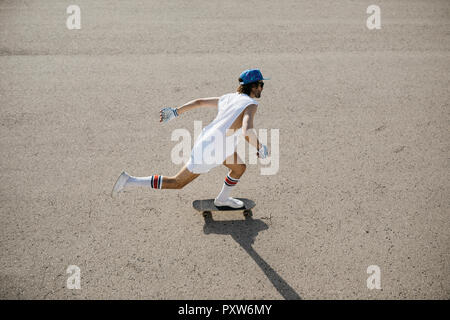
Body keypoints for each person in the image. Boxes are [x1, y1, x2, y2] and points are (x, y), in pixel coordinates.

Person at [112, 68, 269, 208]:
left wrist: (175, 112)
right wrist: (260, 148)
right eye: (261, 84)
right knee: (178, 182)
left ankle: (222, 199)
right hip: (212, 149)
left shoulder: (228, 97)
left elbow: (199, 102)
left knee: (239, 167)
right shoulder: (251, 104)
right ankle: (129, 180)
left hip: (214, 141)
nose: (262, 87)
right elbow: (247, 130)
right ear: (254, 86)